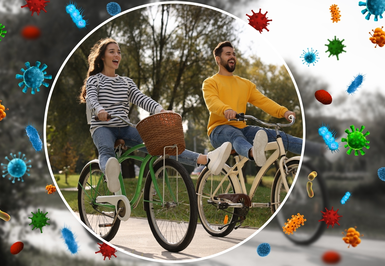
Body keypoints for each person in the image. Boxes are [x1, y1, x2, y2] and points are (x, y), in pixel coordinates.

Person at [79, 37, 232, 193]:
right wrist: (100, 111)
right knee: (106, 151)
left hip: (124, 127)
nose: (117, 55)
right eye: (112, 52)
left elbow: (141, 98)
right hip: (102, 127)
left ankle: (206, 160)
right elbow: (91, 98)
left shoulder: (126, 82)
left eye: (119, 52)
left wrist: (160, 110)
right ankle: (110, 173)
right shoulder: (94, 80)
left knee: (163, 145)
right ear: (103, 57)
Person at [202, 41, 303, 167]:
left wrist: (284, 112)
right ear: (218, 59)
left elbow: (263, 101)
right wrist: (226, 109)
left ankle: (316, 151)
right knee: (235, 134)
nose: (232, 56)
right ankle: (253, 153)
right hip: (218, 131)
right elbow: (212, 102)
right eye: (228, 54)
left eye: (233, 54)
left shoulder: (245, 84)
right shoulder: (210, 82)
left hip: (242, 129)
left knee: (279, 136)